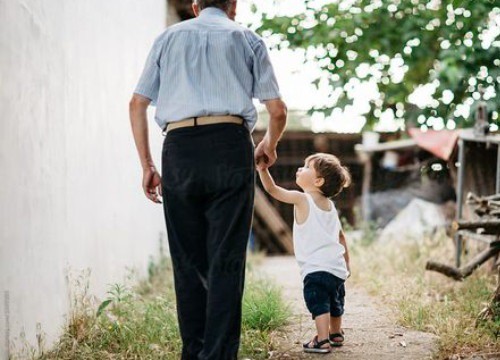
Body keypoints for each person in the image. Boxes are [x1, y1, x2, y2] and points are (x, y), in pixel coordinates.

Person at [129, 0, 286, 358]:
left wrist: (148, 164)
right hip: (230, 147)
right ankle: (218, 354)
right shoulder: (247, 38)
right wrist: (268, 144)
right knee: (227, 259)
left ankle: (193, 352)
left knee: (187, 260)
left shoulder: (167, 38)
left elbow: (137, 103)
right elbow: (277, 110)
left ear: (196, 6)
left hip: (180, 149)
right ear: (233, 5)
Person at [257, 153, 351, 354]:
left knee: (319, 303)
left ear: (318, 181)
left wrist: (262, 170)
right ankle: (336, 333)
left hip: (315, 269)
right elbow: (341, 237)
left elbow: (272, 190)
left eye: (306, 167)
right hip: (336, 268)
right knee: (335, 301)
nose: (300, 169)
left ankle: (322, 340)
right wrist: (347, 263)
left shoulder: (301, 199)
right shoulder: (331, 206)